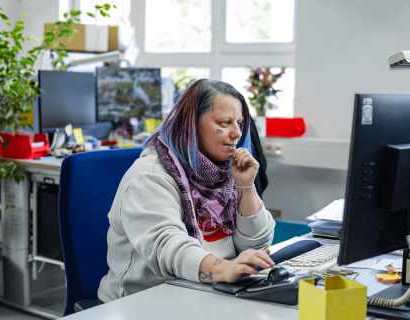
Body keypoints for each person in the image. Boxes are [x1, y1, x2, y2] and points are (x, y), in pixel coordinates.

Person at [98, 79, 276, 302]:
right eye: (225, 122)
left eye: (239, 123)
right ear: (191, 124)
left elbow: (257, 247)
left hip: (208, 291)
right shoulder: (150, 176)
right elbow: (169, 249)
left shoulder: (225, 174)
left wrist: (246, 186)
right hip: (144, 302)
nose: (237, 133)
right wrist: (226, 270)